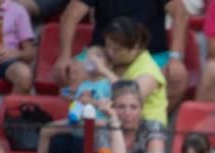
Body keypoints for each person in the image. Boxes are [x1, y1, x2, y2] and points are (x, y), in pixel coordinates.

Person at [52, 0, 188, 110]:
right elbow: (70, 15)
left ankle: (143, 124)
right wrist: (64, 56)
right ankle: (90, 126)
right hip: (105, 51)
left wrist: (175, 58)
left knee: (177, 77)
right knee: (72, 72)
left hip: (150, 53)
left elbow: (180, 13)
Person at [44, 80, 165, 153]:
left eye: (133, 107)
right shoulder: (105, 130)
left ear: (141, 110)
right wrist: (113, 119)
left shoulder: (154, 127)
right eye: (120, 107)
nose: (127, 112)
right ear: (111, 108)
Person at [85, 17, 168, 127]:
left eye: (117, 49)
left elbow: (125, 100)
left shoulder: (148, 72)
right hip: (112, 123)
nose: (110, 52)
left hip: (145, 129)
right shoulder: (111, 61)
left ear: (134, 48)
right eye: (108, 46)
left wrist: (105, 71)